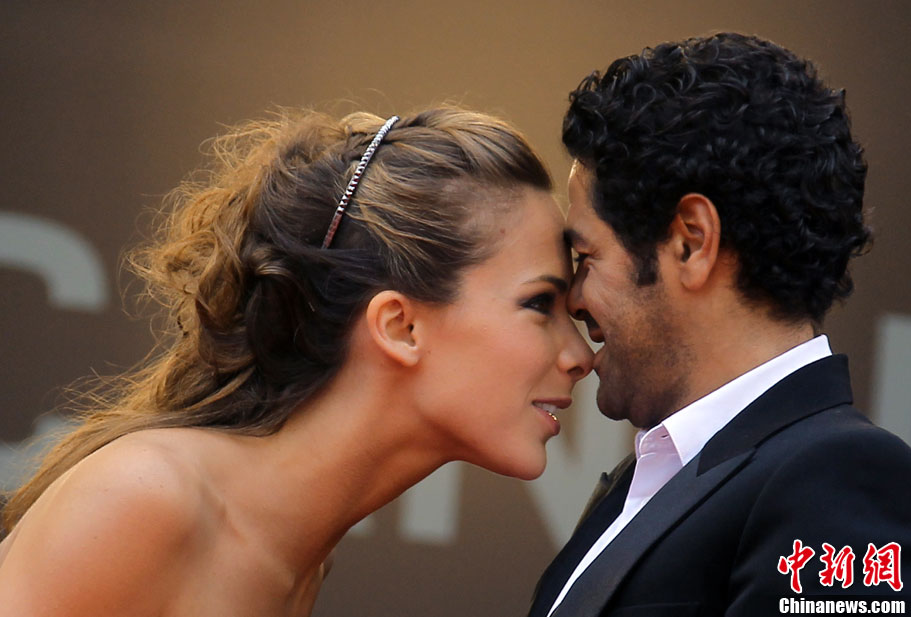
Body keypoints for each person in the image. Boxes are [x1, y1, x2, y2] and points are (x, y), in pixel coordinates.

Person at [0, 106, 593, 616]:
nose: (579, 357)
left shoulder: (303, 559)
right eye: (539, 304)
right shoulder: (145, 497)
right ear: (400, 326)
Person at [529, 32, 911, 617]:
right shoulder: (654, 474)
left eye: (586, 258)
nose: (574, 299)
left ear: (691, 243)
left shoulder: (840, 476)